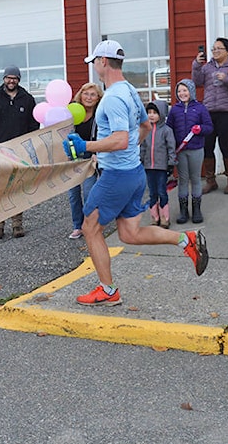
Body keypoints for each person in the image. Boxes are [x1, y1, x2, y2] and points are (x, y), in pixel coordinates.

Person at [63, 40, 209, 307]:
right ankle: (184, 239)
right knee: (129, 234)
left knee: (89, 227)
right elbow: (143, 126)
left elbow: (120, 140)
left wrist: (87, 146)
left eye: (94, 61)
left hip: (116, 177)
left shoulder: (114, 98)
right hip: (133, 173)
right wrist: (123, 151)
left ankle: (107, 291)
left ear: (103, 62)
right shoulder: (129, 91)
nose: (94, 66)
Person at [0, 65, 40, 239]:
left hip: (19, 151)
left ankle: (17, 224)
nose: (11, 81)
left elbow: (34, 126)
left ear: (19, 80)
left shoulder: (27, 99)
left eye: (15, 78)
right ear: (4, 79)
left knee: (16, 187)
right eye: (8, 77)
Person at [192, 37, 228, 194]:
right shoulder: (208, 67)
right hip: (208, 112)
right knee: (207, 146)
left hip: (227, 112)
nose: (215, 51)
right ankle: (211, 181)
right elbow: (196, 82)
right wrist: (196, 65)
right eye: (213, 49)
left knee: (225, 145)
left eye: (219, 48)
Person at [166, 79, 214, 224]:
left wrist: (200, 129)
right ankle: (183, 210)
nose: (182, 93)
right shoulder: (174, 110)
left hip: (196, 149)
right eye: (179, 91)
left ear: (191, 91)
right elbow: (169, 130)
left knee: (196, 179)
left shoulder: (200, 108)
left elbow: (209, 127)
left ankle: (197, 209)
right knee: (183, 180)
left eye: (185, 90)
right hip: (180, 151)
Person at [67, 82, 103, 239]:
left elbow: (103, 136)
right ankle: (77, 226)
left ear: (98, 98)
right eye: (86, 94)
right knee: (73, 194)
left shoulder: (100, 114)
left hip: (90, 158)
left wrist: (97, 152)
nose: (89, 97)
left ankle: (90, 225)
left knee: (89, 192)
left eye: (92, 94)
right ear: (80, 95)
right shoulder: (72, 111)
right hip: (72, 159)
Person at [139, 100, 177, 228]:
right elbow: (143, 146)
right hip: (149, 167)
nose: (151, 115)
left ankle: (165, 218)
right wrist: (141, 159)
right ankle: (155, 217)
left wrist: (171, 163)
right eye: (149, 112)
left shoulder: (167, 130)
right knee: (152, 192)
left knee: (162, 191)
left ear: (161, 114)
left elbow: (171, 147)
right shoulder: (146, 130)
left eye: (154, 112)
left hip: (161, 167)